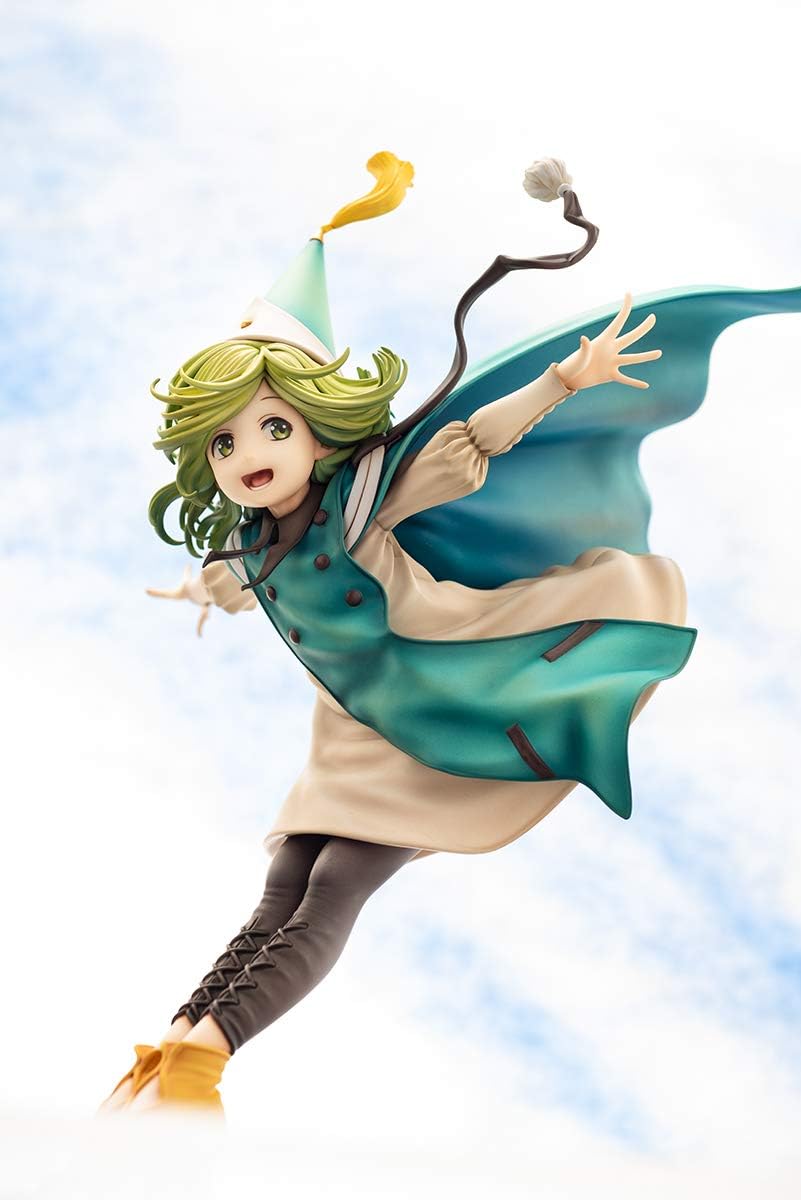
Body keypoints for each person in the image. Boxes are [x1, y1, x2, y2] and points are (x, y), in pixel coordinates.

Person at [97, 152, 800, 1118]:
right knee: (285, 881)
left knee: (337, 884)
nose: (246, 455)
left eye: (270, 428)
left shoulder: (362, 503)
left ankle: (204, 1061)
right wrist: (195, 589)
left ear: (317, 430)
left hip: (448, 697)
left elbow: (471, 444)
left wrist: (565, 378)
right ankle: (175, 1044)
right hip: (353, 732)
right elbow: (230, 581)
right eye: (224, 442)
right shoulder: (253, 546)